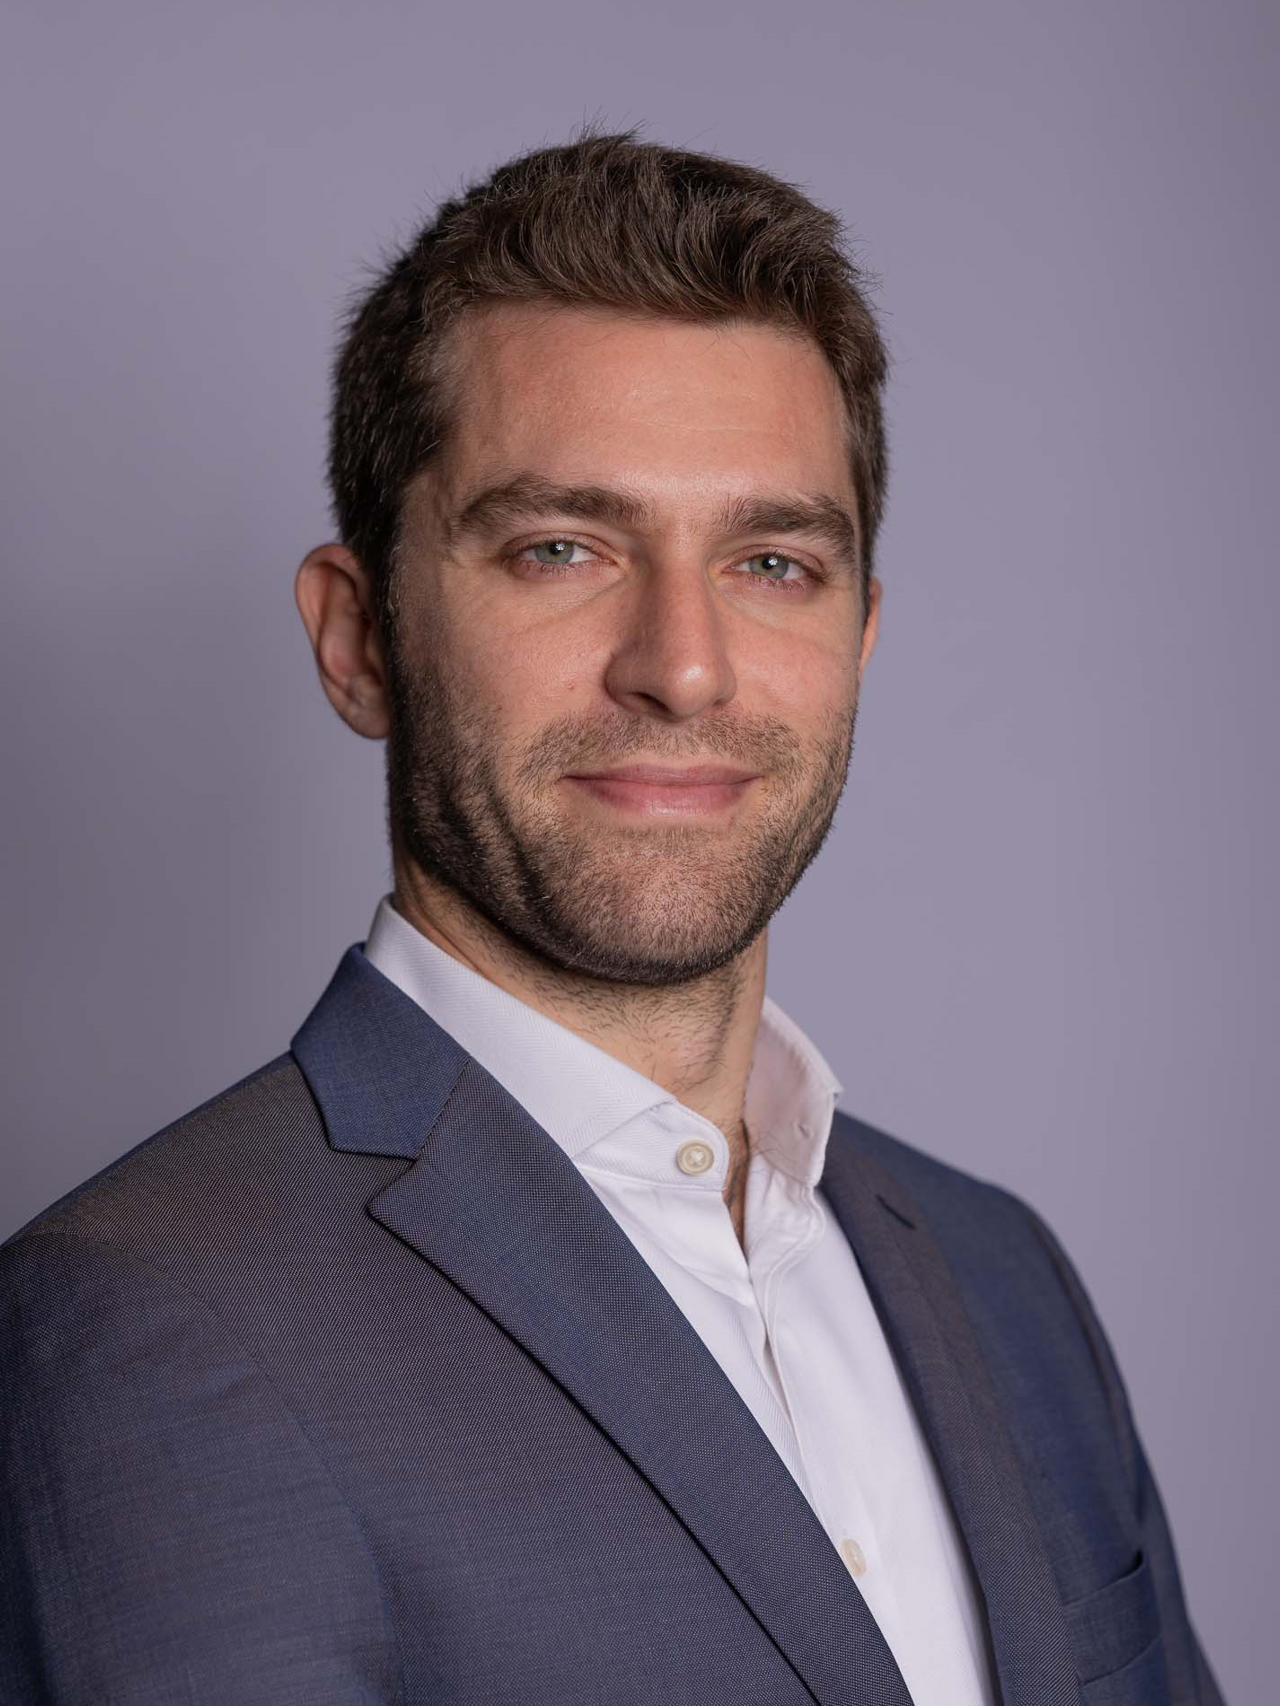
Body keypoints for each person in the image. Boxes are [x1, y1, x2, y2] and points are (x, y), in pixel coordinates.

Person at [0, 131, 1222, 1706]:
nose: (684, 664)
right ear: (360, 639)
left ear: (859, 638)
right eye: (562, 548)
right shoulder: (145, 1319)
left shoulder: (1004, 1278)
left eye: (772, 561)